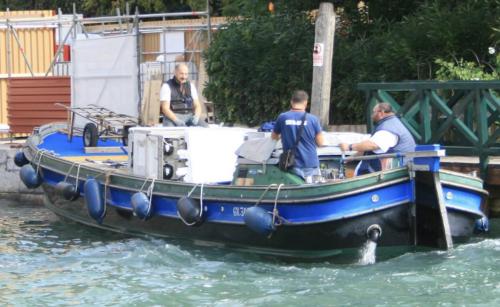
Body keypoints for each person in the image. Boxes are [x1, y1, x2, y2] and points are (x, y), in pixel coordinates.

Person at [339, 102, 416, 175]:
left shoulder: (388, 128)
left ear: (381, 113)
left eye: (374, 112)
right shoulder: (392, 123)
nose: (372, 115)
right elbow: (370, 149)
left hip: (394, 173)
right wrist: (351, 158)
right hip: (398, 170)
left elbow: (373, 145)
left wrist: (349, 147)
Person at [271, 90, 324, 183]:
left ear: (291, 102)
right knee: (314, 190)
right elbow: (320, 143)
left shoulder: (283, 117)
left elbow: (273, 137)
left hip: (292, 163)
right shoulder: (313, 119)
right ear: (305, 102)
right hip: (310, 163)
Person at [160, 63, 208, 127]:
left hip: (189, 117)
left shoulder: (191, 86)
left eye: (186, 74)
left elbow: (197, 105)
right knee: (171, 133)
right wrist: (177, 120)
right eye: (181, 73)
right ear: (175, 72)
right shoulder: (167, 86)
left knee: (205, 127)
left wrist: (196, 117)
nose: (184, 77)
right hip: (172, 117)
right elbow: (165, 109)